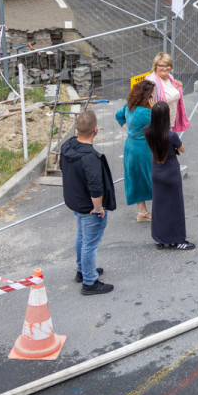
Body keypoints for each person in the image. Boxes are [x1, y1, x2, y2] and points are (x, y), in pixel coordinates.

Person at [61, 110, 116, 295]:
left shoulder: (67, 146)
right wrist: (98, 208)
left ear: (76, 128)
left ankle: (82, 271)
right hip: (88, 206)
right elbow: (95, 187)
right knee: (89, 243)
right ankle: (90, 282)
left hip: (74, 202)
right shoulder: (90, 157)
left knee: (82, 236)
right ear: (95, 129)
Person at [143, 102, 195, 250]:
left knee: (159, 206)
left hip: (156, 171)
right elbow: (182, 149)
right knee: (175, 206)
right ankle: (177, 240)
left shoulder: (147, 131)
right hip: (171, 171)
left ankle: (160, 238)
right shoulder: (171, 135)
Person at [116, 80, 155, 222]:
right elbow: (162, 124)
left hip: (130, 146)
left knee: (136, 178)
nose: (153, 98)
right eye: (151, 96)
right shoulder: (146, 113)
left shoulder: (129, 106)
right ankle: (159, 209)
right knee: (151, 177)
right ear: (146, 97)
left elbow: (118, 115)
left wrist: (127, 128)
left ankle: (142, 212)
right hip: (144, 148)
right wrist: (155, 108)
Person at [145, 52, 190, 133]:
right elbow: (145, 104)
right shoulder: (151, 82)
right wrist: (152, 108)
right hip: (159, 124)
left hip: (171, 121)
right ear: (155, 67)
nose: (165, 68)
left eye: (167, 65)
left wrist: (177, 87)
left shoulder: (170, 77)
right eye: (161, 65)